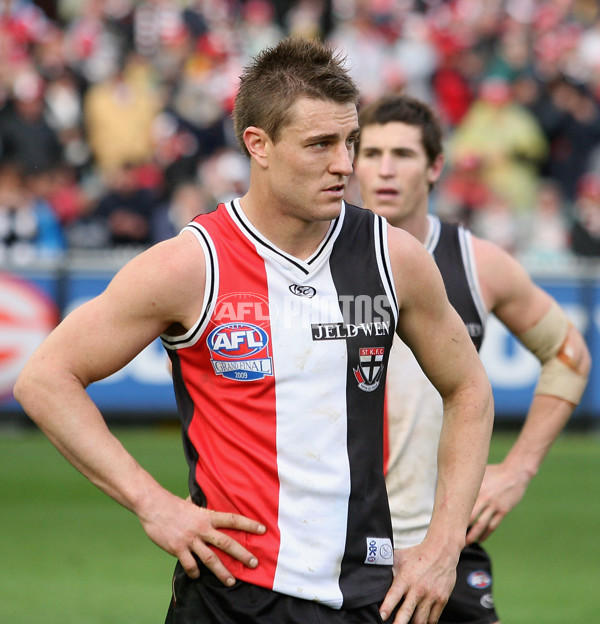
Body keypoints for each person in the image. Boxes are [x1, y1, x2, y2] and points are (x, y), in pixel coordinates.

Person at [13, 38, 494, 624]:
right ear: (257, 145)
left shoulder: (394, 257)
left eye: (349, 142)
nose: (345, 164)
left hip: (366, 595)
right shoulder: (191, 265)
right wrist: (153, 504)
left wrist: (444, 547)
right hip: (225, 596)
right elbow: (44, 379)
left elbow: (469, 389)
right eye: (319, 145)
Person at [353, 93, 591, 624]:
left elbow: (569, 353)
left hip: (445, 542)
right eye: (371, 153)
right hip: (340, 545)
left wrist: (517, 470)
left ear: (435, 166)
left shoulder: (476, 263)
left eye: (404, 154)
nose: (385, 169)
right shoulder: (314, 260)